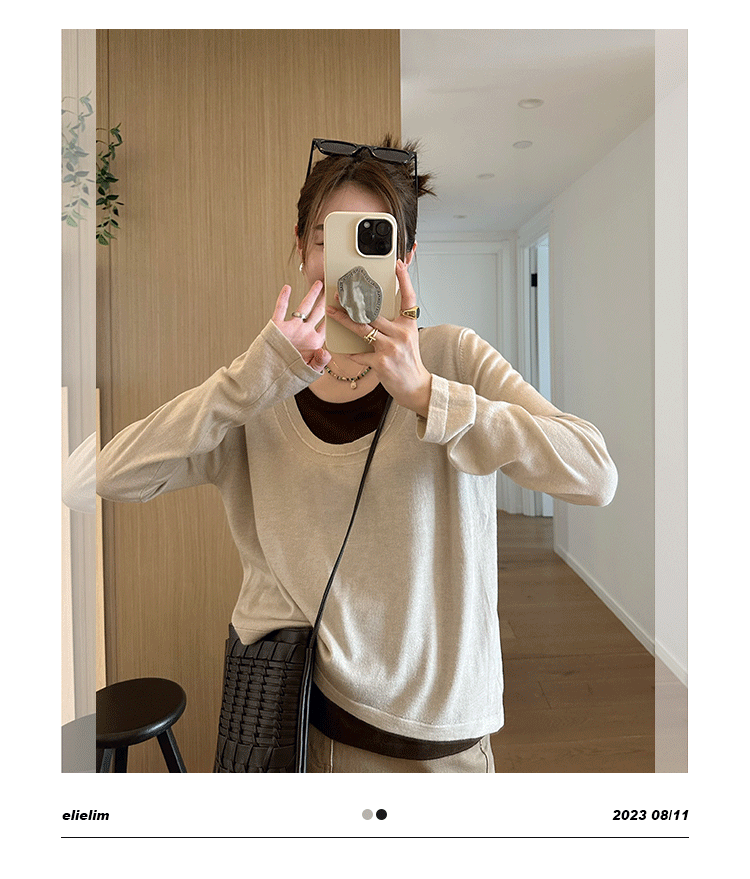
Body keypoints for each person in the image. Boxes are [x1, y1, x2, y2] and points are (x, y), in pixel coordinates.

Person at [93, 136, 618, 773]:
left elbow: (594, 473)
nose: (348, 264)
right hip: (306, 735)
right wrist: (247, 381)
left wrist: (428, 396)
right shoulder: (260, 386)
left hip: (443, 743)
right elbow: (113, 476)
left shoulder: (453, 358)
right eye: (328, 238)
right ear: (301, 246)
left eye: (373, 239)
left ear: (406, 256)